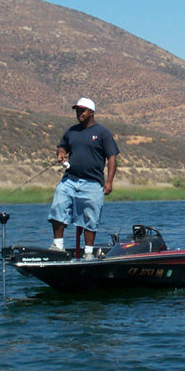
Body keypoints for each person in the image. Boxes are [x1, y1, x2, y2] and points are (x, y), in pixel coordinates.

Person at [47, 97, 119, 258]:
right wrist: (60, 153)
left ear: (91, 113)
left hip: (93, 183)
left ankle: (88, 253)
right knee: (59, 205)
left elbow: (112, 157)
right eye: (77, 111)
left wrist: (109, 182)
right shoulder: (71, 131)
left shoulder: (103, 133)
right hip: (70, 180)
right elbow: (62, 145)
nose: (79, 113)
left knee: (90, 217)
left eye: (82, 111)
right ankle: (58, 246)